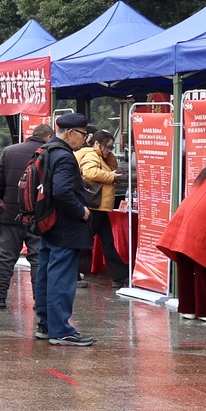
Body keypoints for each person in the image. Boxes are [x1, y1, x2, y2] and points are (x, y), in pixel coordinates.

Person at [32, 112, 99, 347]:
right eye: (83, 134)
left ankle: (46, 324)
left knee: (46, 274)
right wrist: (82, 211)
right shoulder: (65, 156)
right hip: (65, 227)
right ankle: (60, 330)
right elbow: (62, 191)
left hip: (48, 222)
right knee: (61, 277)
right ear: (70, 133)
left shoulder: (47, 150)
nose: (85, 139)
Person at [159, 152, 206, 323]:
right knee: (203, 261)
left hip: (187, 209)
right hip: (205, 214)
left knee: (185, 259)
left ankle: (188, 307)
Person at [0, 124, 52, 311]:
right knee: (38, 259)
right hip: (37, 215)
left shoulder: (8, 151)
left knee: (4, 257)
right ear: (48, 137)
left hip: (10, 215)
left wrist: (1, 207)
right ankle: (40, 300)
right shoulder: (48, 153)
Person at [76, 127, 130, 288]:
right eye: (107, 146)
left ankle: (120, 276)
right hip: (94, 206)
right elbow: (90, 173)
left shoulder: (98, 155)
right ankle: (69, 273)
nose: (109, 150)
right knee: (84, 242)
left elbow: (112, 164)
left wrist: (106, 152)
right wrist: (111, 176)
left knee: (106, 242)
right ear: (97, 143)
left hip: (98, 206)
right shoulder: (92, 155)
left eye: (111, 147)